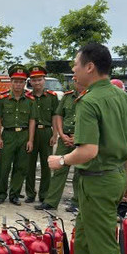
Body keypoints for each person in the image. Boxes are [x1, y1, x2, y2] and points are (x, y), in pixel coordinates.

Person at [49, 43, 127, 254]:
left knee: (104, 250)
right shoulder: (121, 98)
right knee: (83, 239)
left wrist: (60, 160)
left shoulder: (89, 102)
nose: (73, 69)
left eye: (75, 64)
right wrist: (125, 179)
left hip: (97, 179)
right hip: (109, 177)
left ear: (89, 67)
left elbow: (87, 151)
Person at [37, 78, 82, 212]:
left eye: (78, 81)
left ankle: (77, 202)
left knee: (80, 172)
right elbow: (58, 116)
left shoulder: (89, 97)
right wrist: (61, 134)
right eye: (75, 81)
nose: (77, 83)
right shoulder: (67, 97)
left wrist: (78, 137)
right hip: (65, 137)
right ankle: (51, 202)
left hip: (81, 140)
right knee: (58, 170)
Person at [0, 65, 33, 205]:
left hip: (24, 135)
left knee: (21, 167)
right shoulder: (2, 99)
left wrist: (31, 140)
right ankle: (0, 193)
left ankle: (14, 194)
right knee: (4, 166)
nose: (18, 84)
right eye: (15, 81)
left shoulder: (30, 100)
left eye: (21, 82)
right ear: (11, 81)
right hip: (8, 135)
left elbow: (32, 120)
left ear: (25, 83)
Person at [25, 65, 59, 204]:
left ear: (44, 80)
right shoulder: (27, 97)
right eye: (34, 80)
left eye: (39, 80)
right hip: (30, 134)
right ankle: (30, 194)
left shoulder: (52, 97)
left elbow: (55, 116)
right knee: (29, 165)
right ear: (30, 82)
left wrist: (55, 134)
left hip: (46, 132)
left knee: (47, 165)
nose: (37, 83)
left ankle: (44, 194)